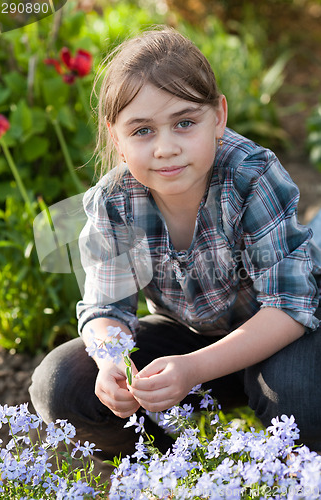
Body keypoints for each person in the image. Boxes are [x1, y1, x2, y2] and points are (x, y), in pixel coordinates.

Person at [30, 27, 321, 481]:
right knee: (62, 382)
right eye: (142, 130)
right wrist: (112, 362)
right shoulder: (115, 201)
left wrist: (193, 369)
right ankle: (172, 474)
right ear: (116, 137)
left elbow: (289, 308)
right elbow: (106, 308)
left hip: (272, 340)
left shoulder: (250, 176)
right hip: (183, 338)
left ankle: (293, 478)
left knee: (300, 387)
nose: (166, 147)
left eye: (185, 122)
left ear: (219, 116)